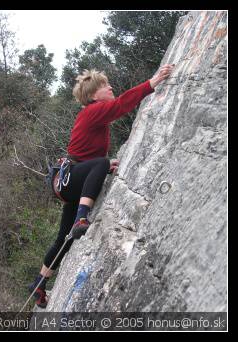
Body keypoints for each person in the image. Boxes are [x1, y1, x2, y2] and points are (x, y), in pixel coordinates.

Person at [29, 64, 174, 307]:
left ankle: (39, 282)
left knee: (63, 238)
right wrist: (152, 82)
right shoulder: (92, 111)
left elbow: (89, 157)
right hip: (72, 177)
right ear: (95, 95)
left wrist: (103, 167)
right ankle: (82, 218)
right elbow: (121, 105)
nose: (111, 87)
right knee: (101, 163)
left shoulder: (94, 115)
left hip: (73, 182)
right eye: (106, 86)